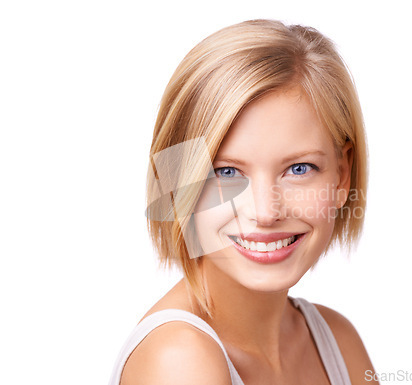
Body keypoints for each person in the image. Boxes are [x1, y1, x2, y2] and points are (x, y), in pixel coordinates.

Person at [109, 19, 378, 385]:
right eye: (226, 173)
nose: (266, 213)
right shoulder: (180, 361)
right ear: (175, 181)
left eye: (299, 168)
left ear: (342, 176)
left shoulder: (338, 342)